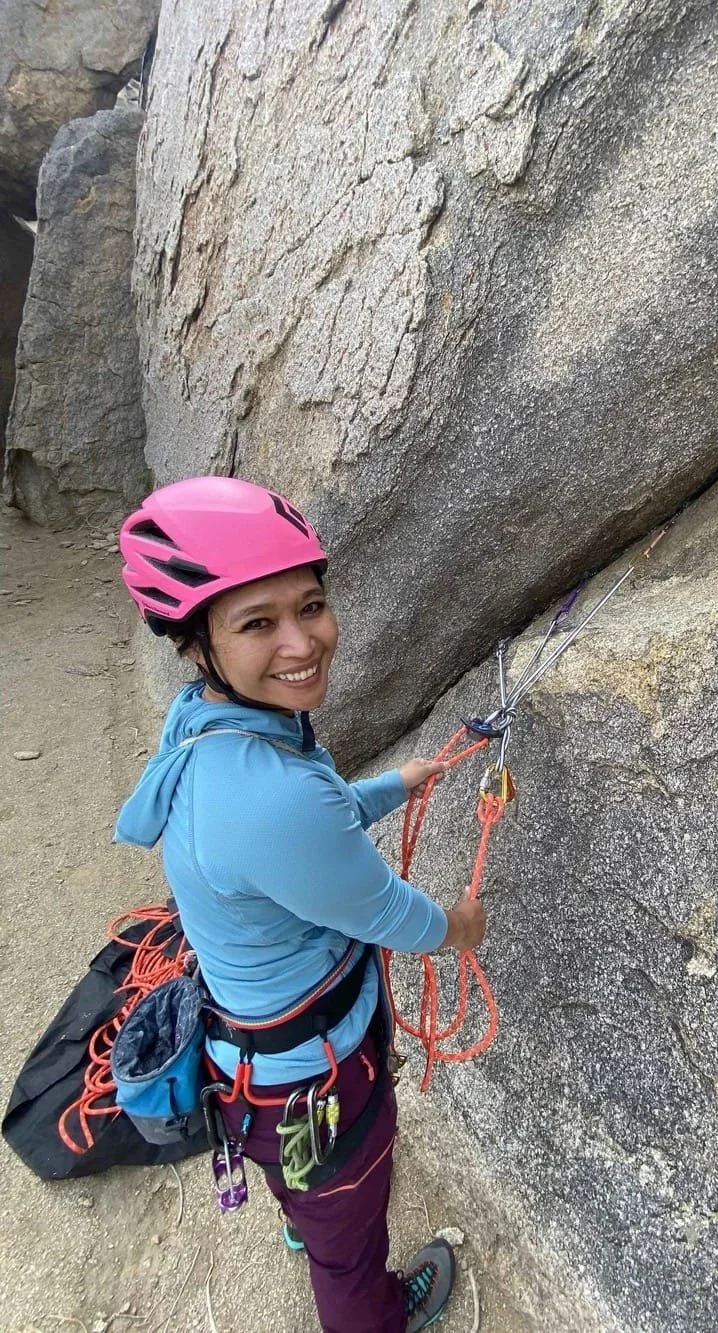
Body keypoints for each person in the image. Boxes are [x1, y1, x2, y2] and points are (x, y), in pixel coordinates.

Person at [113, 475, 486, 1333]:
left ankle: (303, 1213)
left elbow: (303, 828)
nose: (302, 641)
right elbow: (391, 913)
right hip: (312, 1076)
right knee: (349, 1240)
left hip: (253, 1062)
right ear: (197, 641)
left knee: (313, 1191)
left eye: (310, 605)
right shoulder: (269, 796)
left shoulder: (208, 724)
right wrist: (462, 926)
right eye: (257, 622)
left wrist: (395, 784)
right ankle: (372, 1311)